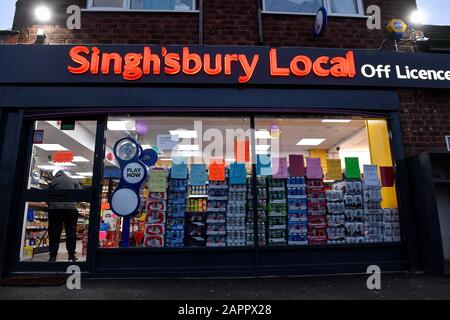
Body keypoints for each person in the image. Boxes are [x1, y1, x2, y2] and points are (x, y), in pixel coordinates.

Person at [47, 170, 81, 262]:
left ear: (56, 175)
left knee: (54, 232)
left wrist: (51, 205)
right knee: (71, 232)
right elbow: (79, 195)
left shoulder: (53, 182)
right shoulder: (74, 181)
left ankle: (53, 256)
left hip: (55, 210)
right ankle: (71, 255)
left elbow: (46, 195)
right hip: (70, 210)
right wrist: (73, 204)